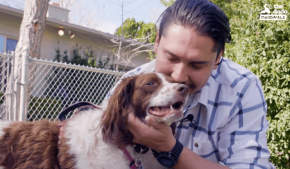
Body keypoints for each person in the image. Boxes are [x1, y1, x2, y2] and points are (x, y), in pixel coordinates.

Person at [103, 0, 275, 168]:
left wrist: (171, 149)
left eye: (196, 65)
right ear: (157, 41)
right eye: (171, 58)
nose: (179, 76)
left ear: (218, 57)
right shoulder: (131, 86)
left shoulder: (242, 88)